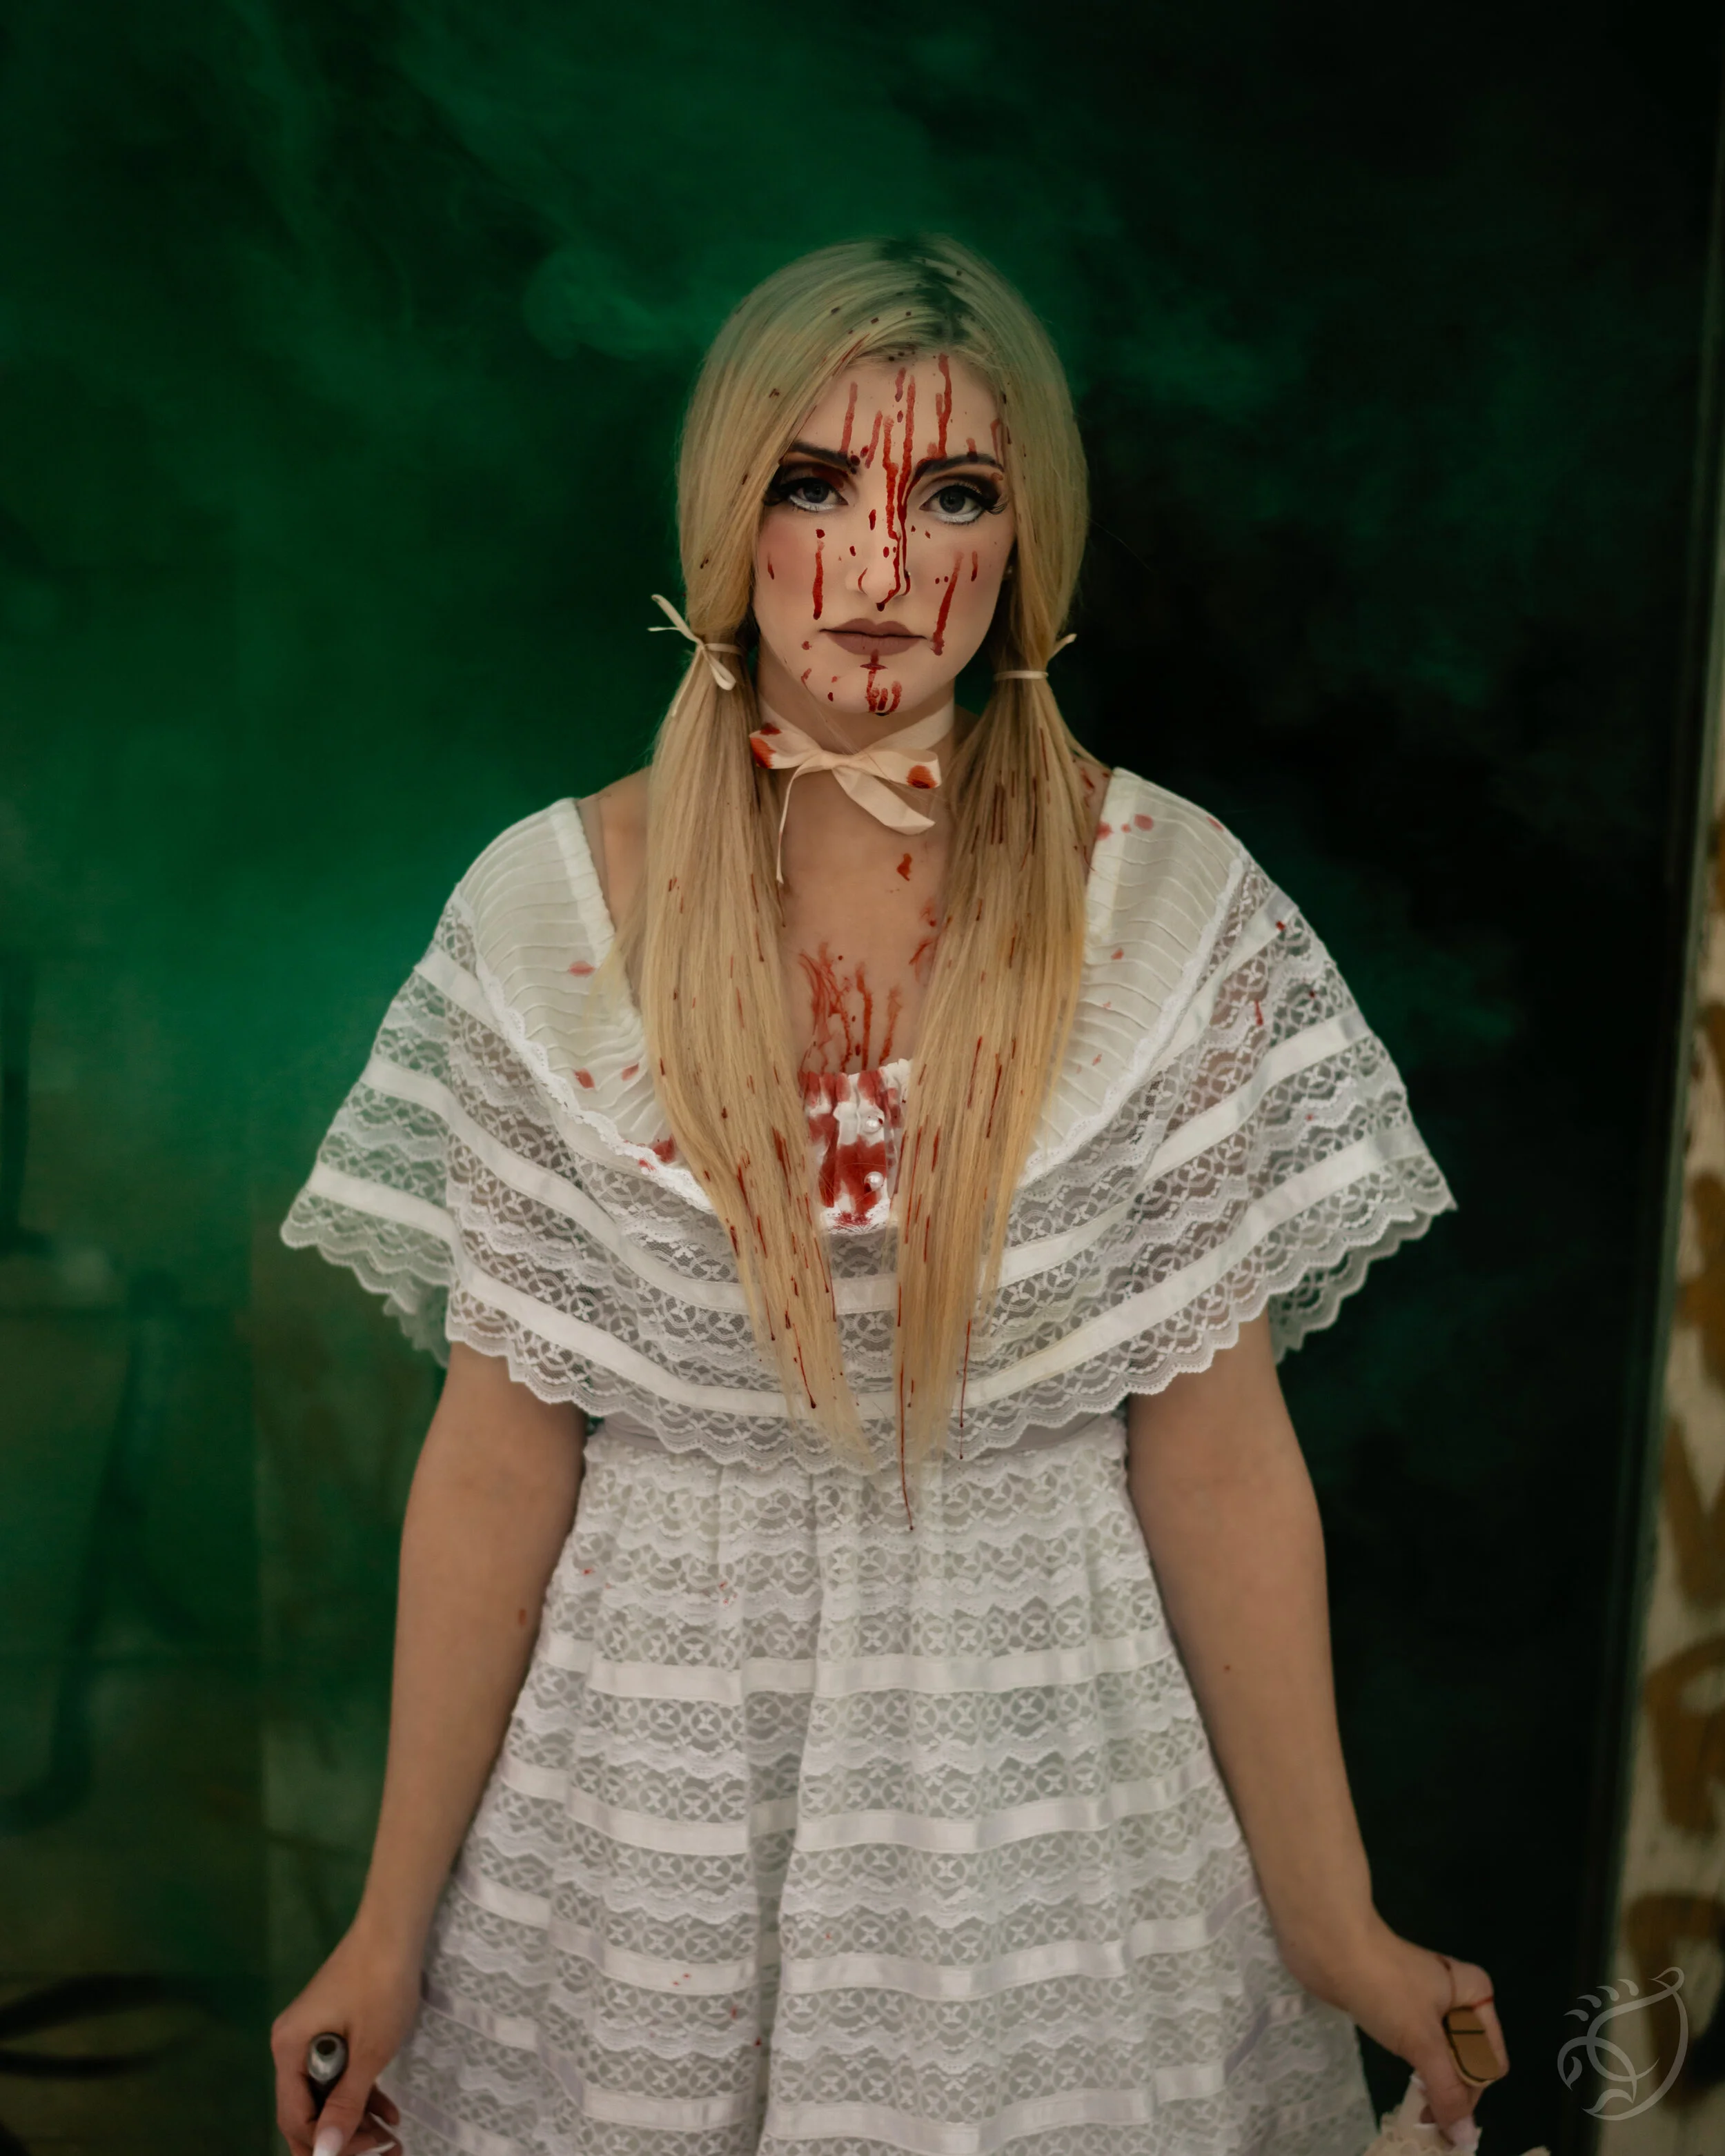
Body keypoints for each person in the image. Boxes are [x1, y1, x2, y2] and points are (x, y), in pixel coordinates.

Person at [269, 235, 1508, 2156]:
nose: (878, 562)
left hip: (1042, 1798)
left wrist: (1331, 1914)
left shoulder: (1167, 909)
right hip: (644, 1799)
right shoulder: (546, 917)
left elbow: (1217, 1458)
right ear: (726, 519)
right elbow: (501, 1456)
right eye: (812, 481)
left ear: (1028, 545)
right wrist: (387, 1924)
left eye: (954, 494)